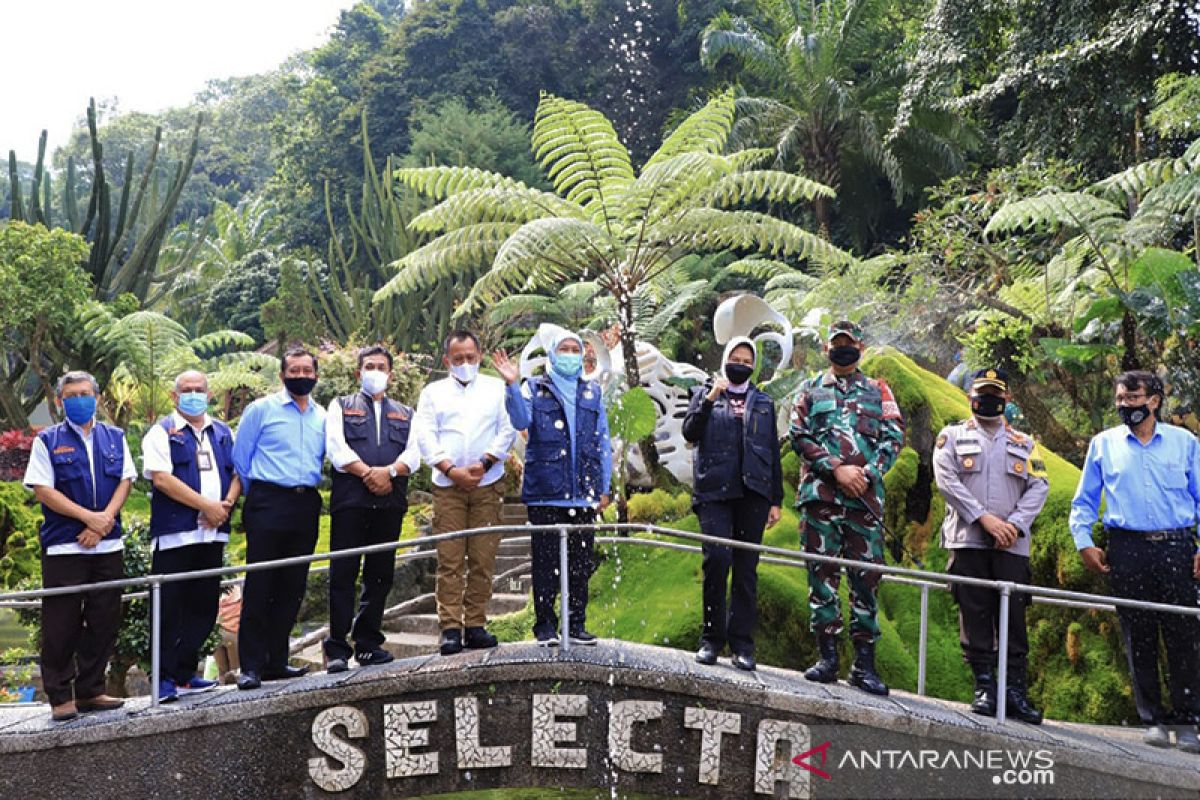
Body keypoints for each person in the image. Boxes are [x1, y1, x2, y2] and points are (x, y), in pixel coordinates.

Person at [1069, 371, 1200, 751]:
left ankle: (1188, 720)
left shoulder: (1184, 443)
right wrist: (1083, 542)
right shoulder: (1103, 444)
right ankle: (1153, 719)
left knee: (1184, 635)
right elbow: (1084, 502)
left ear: (1154, 400)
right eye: (1121, 399)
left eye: (1134, 398)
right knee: (1137, 635)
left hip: (1177, 547)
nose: (1126, 405)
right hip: (1127, 549)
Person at [789, 321, 904, 696]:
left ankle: (864, 665)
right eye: (836, 344)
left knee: (866, 580)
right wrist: (836, 469)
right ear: (827, 349)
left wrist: (866, 475)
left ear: (861, 348)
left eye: (849, 344)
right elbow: (798, 435)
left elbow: (893, 436)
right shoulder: (809, 389)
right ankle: (826, 659)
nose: (843, 350)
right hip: (821, 499)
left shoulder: (879, 390)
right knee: (821, 577)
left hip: (864, 503)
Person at [932, 368, 1048, 724]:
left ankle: (1014, 690)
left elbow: (1039, 485)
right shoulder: (950, 437)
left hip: (1011, 546)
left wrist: (1013, 525)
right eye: (982, 393)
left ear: (1007, 399)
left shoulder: (1026, 443)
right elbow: (946, 481)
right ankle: (984, 686)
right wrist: (984, 518)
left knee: (1013, 615)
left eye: (996, 393)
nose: (989, 399)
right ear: (970, 397)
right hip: (968, 539)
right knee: (975, 611)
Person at [23, 371, 136, 721]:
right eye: (71, 395)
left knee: (105, 619)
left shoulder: (115, 437)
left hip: (107, 545)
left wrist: (104, 521)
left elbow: (125, 480)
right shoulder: (49, 441)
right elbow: (43, 489)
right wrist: (89, 518)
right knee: (61, 623)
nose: (79, 399)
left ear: (98, 398)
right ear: (60, 401)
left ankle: (91, 690)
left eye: (85, 393)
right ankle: (60, 696)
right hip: (65, 547)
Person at [494, 331, 612, 647]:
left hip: (583, 493)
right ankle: (545, 626)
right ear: (552, 354)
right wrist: (510, 384)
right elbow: (520, 419)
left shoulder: (592, 393)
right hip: (546, 490)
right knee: (546, 565)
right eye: (565, 349)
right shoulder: (534, 388)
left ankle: (575, 624)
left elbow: (603, 441)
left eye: (576, 349)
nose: (571, 354)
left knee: (580, 565)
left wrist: (604, 486)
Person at [682, 336, 783, 672]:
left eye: (747, 359)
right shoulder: (705, 393)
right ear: (726, 359)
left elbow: (772, 452)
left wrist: (776, 499)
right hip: (714, 492)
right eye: (735, 357)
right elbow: (690, 432)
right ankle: (711, 639)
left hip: (753, 492)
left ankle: (742, 645)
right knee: (717, 558)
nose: (741, 363)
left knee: (746, 568)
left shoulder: (765, 402)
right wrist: (711, 397)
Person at [413, 331, 516, 656]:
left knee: (484, 559)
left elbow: (508, 428)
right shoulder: (432, 393)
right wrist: (450, 469)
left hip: (488, 483)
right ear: (448, 361)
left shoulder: (496, 388)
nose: (465, 364)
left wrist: (485, 463)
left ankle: (475, 624)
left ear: (480, 355)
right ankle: (450, 628)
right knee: (450, 559)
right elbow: (425, 435)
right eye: (459, 359)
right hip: (448, 488)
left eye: (471, 357)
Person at [142, 370, 242, 703]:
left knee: (202, 608)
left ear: (209, 394)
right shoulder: (162, 432)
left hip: (212, 535)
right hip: (176, 535)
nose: (194, 394)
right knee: (169, 607)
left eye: (199, 389)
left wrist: (225, 504)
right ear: (174, 396)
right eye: (187, 390)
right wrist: (206, 506)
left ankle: (186, 673)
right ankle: (162, 678)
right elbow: (162, 479)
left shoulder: (223, 432)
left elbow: (239, 472)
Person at [231, 347, 326, 690]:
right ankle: (251, 666)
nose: (301, 376)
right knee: (260, 584)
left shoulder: (322, 416)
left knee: (292, 585)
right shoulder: (261, 410)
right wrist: (260, 495)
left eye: (307, 371)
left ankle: (277, 661)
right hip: (268, 500)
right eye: (294, 371)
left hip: (306, 504)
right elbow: (241, 459)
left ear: (316, 375)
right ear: (282, 375)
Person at [323, 345, 421, 672]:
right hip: (351, 501)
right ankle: (337, 648)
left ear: (391, 374)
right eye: (369, 366)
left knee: (380, 575)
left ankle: (367, 643)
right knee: (343, 573)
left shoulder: (406, 413)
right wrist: (368, 473)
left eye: (381, 366)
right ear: (358, 372)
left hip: (389, 502)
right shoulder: (340, 406)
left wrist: (389, 473)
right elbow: (337, 449)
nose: (375, 372)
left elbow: (414, 455)